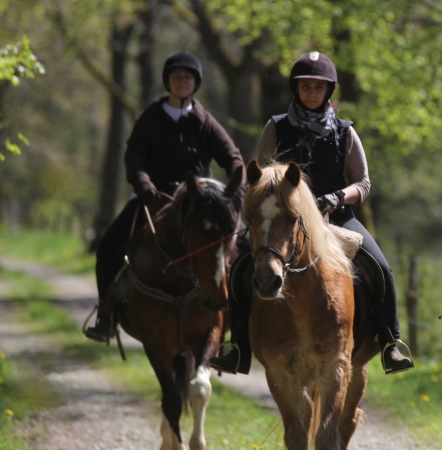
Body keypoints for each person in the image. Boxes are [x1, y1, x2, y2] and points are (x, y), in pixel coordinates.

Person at [210, 51, 414, 375]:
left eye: (319, 87)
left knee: (381, 267)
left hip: (334, 216)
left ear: (328, 91)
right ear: (296, 88)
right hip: (282, 218)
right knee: (240, 267)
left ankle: (391, 342)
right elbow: (262, 176)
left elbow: (363, 182)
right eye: (306, 86)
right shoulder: (276, 127)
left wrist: (337, 197)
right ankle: (239, 347)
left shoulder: (345, 132)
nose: (312, 93)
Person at [84, 50, 244, 342]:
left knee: (243, 249)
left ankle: (241, 332)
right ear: (168, 82)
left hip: (199, 203)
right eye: (176, 77)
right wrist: (143, 183)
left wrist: (235, 185)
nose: (182, 81)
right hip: (154, 197)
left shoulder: (204, 120)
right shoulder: (151, 118)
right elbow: (134, 155)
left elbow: (232, 156)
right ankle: (106, 315)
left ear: (195, 83)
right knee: (108, 246)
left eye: (187, 77)